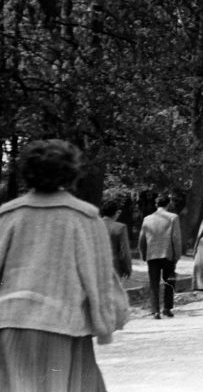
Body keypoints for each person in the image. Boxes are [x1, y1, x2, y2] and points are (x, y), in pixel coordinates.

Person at [0, 139, 129, 391]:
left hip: (10, 322)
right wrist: (106, 323)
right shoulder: (84, 217)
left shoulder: (8, 215)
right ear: (71, 173)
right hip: (64, 325)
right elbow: (100, 278)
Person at [139, 193, 182, 319]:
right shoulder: (173, 217)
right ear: (169, 204)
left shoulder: (147, 219)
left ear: (156, 204)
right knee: (170, 281)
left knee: (154, 283)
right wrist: (177, 255)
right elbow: (176, 238)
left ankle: (155, 310)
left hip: (152, 254)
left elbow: (142, 239)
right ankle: (167, 308)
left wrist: (143, 254)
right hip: (168, 254)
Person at [101, 199, 133, 281]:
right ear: (116, 212)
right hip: (114, 269)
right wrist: (128, 269)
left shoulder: (92, 226)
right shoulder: (120, 227)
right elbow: (125, 252)